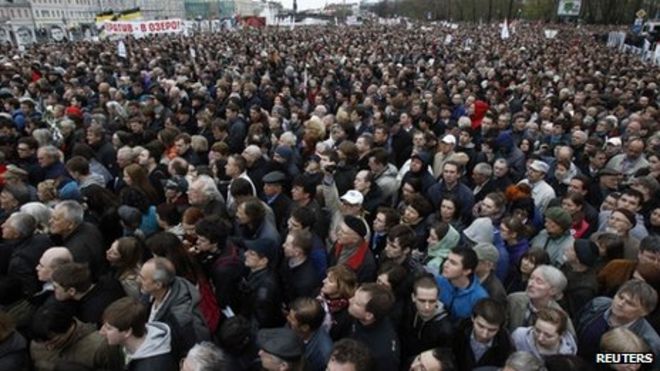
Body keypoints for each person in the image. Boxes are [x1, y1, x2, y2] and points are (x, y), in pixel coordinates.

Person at [137, 257, 211, 360]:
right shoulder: (148, 293)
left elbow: (193, 352)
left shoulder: (182, 319)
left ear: (158, 285)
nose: (138, 280)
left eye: (143, 278)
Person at [576, 279, 660, 363]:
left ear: (644, 312)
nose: (620, 303)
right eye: (620, 297)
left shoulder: (650, 343)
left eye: (630, 303)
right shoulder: (597, 305)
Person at [30, 304, 124, 371]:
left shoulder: (101, 346)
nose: (49, 348)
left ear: (68, 328)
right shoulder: (38, 342)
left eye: (54, 341)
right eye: (43, 343)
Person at [99, 297, 176, 371]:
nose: (101, 332)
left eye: (109, 328)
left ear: (127, 332)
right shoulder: (121, 345)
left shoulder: (152, 367)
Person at [399, 275, 453, 365]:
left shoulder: (445, 330)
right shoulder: (409, 310)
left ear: (438, 299)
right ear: (413, 297)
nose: (427, 307)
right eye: (422, 301)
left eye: (432, 301)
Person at [50, 262, 125, 327]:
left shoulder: (89, 315)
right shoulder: (110, 282)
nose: (53, 290)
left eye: (55, 287)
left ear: (71, 291)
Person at [347, 282, 400, 371]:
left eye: (356, 303)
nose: (350, 300)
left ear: (369, 316)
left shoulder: (383, 354)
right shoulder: (359, 316)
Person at [506, 265, 574, 334]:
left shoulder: (561, 318)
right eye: (531, 278)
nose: (530, 284)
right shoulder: (513, 300)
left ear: (553, 290)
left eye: (539, 281)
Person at [49, 200, 107, 278]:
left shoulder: (74, 252)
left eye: (55, 219)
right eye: (51, 217)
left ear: (70, 224)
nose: (50, 221)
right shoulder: (90, 226)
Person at [452, 298, 513, 370]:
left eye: (492, 330)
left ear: (500, 328)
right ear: (473, 318)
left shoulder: (505, 344)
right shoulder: (456, 333)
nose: (484, 334)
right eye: (480, 326)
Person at [436, 247, 489, 320]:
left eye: (453, 263)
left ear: (466, 271)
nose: (445, 264)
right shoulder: (439, 280)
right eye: (447, 259)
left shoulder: (479, 297)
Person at [511, 307, 578, 360]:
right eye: (537, 331)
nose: (540, 338)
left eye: (548, 336)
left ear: (561, 335)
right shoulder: (519, 336)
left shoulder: (568, 353)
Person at [286, 297, 333, 371]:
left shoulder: (322, 353)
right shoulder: (291, 326)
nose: (287, 318)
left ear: (305, 327)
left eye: (292, 319)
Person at [279, 229, 322, 304]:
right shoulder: (287, 259)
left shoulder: (305, 282)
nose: (283, 245)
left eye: (287, 244)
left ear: (297, 252)